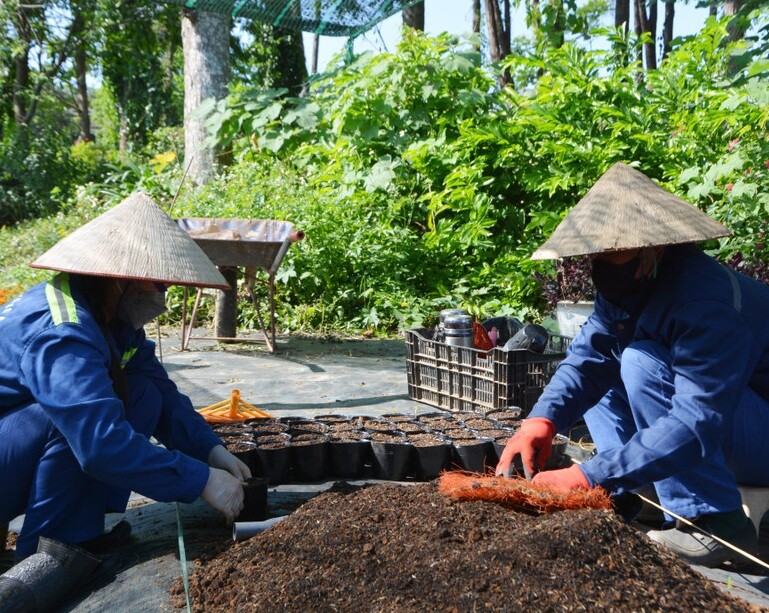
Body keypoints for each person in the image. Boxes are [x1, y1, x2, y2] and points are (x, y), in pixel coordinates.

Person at [496, 162, 769, 567]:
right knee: (609, 370)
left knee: (641, 362)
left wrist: (588, 474)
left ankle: (715, 521)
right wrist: (543, 419)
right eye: (596, 253)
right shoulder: (634, 281)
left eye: (613, 251)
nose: (601, 262)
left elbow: (696, 422)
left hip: (756, 432)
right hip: (726, 425)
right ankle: (627, 493)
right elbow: (589, 357)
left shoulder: (706, 303)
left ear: (654, 248)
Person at [0, 191, 251, 562]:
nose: (163, 297)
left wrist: (208, 449)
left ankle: (75, 530)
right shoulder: (64, 330)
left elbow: (160, 392)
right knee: (73, 425)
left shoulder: (108, 319)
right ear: (124, 279)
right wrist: (199, 479)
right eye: (158, 285)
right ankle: (49, 555)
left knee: (142, 392)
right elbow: (99, 444)